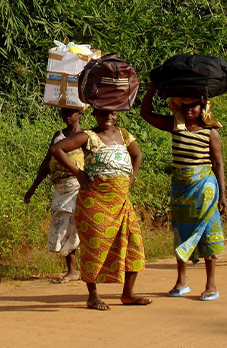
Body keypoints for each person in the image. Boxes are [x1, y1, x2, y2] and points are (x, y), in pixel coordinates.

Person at [50, 108, 149, 310]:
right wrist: (78, 172)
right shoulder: (88, 137)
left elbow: (137, 155)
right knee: (94, 246)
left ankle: (128, 294)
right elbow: (57, 150)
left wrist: (130, 180)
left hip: (121, 201)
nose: (108, 118)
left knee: (133, 243)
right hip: (94, 201)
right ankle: (93, 296)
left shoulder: (124, 134)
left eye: (112, 114)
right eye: (104, 114)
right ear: (95, 115)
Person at [140, 83, 227, 301]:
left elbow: (218, 164)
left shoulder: (210, 132)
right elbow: (145, 114)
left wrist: (223, 195)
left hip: (205, 188)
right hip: (180, 188)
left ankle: (211, 283)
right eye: (184, 105)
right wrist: (152, 87)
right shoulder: (175, 126)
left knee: (208, 233)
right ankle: (181, 281)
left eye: (194, 105)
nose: (189, 110)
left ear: (202, 107)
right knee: (181, 232)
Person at [24, 107, 84, 284]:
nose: (67, 116)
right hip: (60, 185)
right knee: (64, 226)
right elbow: (46, 161)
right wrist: (33, 187)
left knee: (78, 225)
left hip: (79, 185)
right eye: (64, 113)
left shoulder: (86, 136)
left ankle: (89, 268)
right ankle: (72, 270)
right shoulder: (58, 135)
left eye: (71, 113)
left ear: (80, 114)